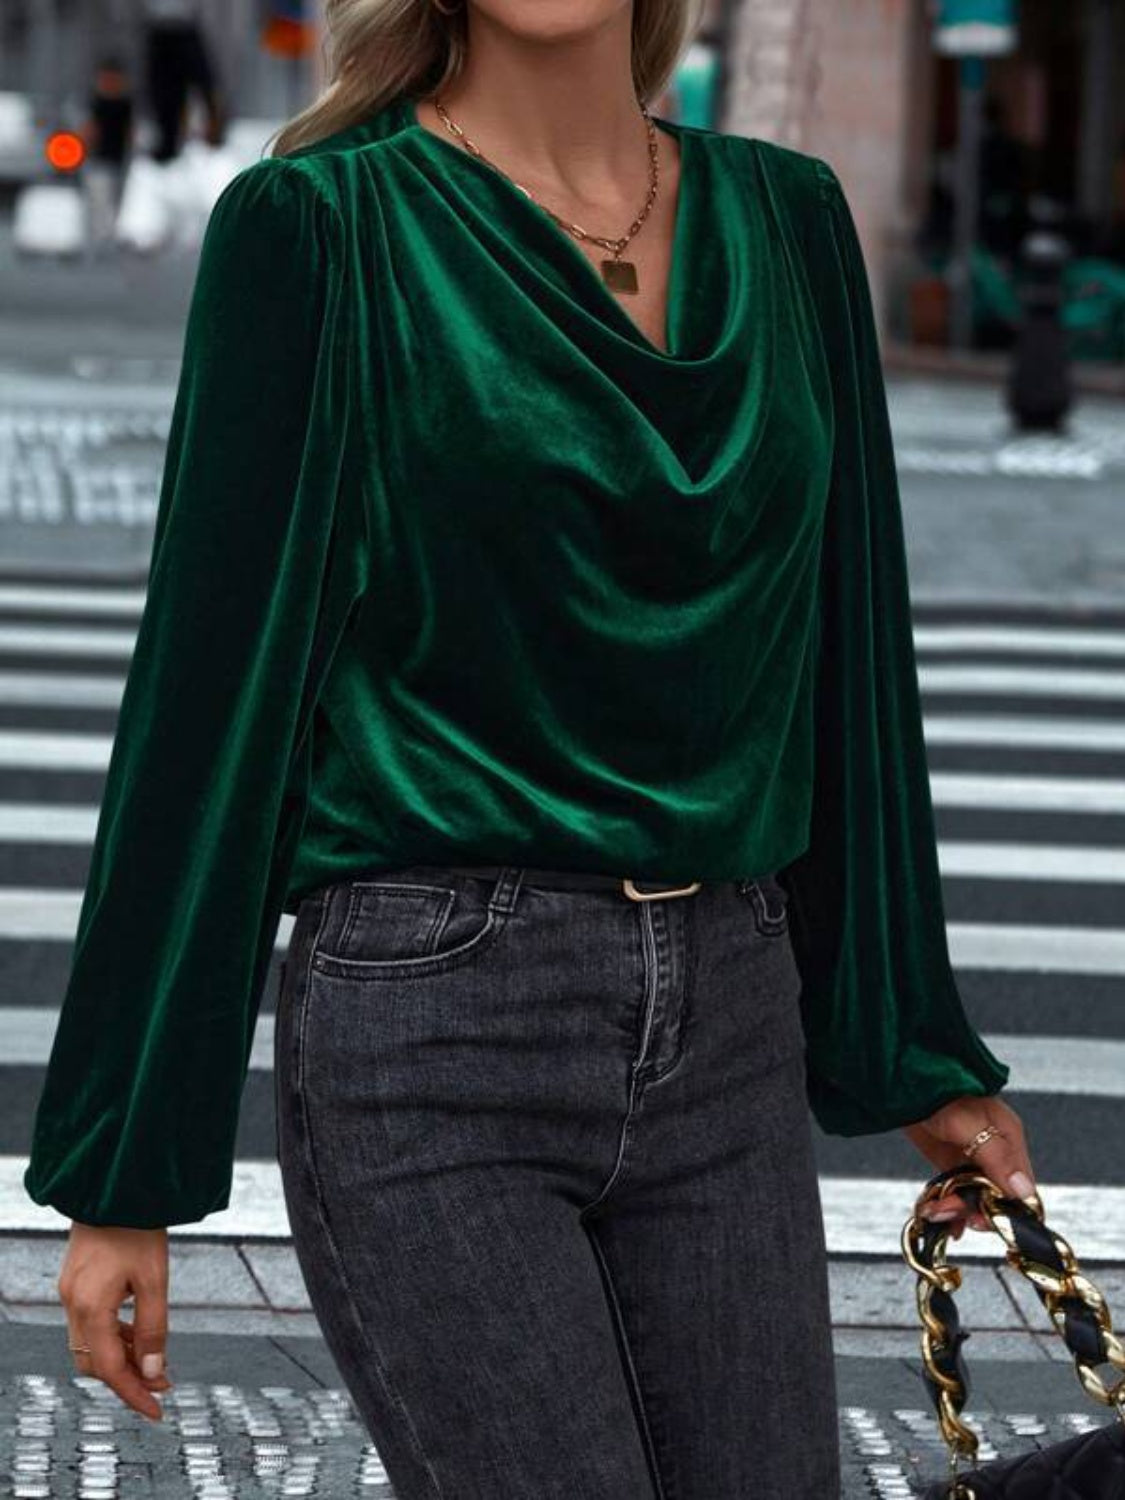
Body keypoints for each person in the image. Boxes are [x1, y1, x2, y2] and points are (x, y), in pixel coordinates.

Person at [25, 1, 1038, 1494]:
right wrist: (125, 1175)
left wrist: (912, 1052)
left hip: (732, 1026)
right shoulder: (320, 229)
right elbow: (210, 698)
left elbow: (847, 661)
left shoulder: (794, 222)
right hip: (433, 1028)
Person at [81, 52, 135, 256]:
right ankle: (102, 237)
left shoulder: (124, 102)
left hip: (118, 158)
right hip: (99, 159)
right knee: (99, 197)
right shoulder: (97, 101)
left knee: (113, 199)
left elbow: (130, 131)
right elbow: (90, 128)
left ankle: (108, 236)